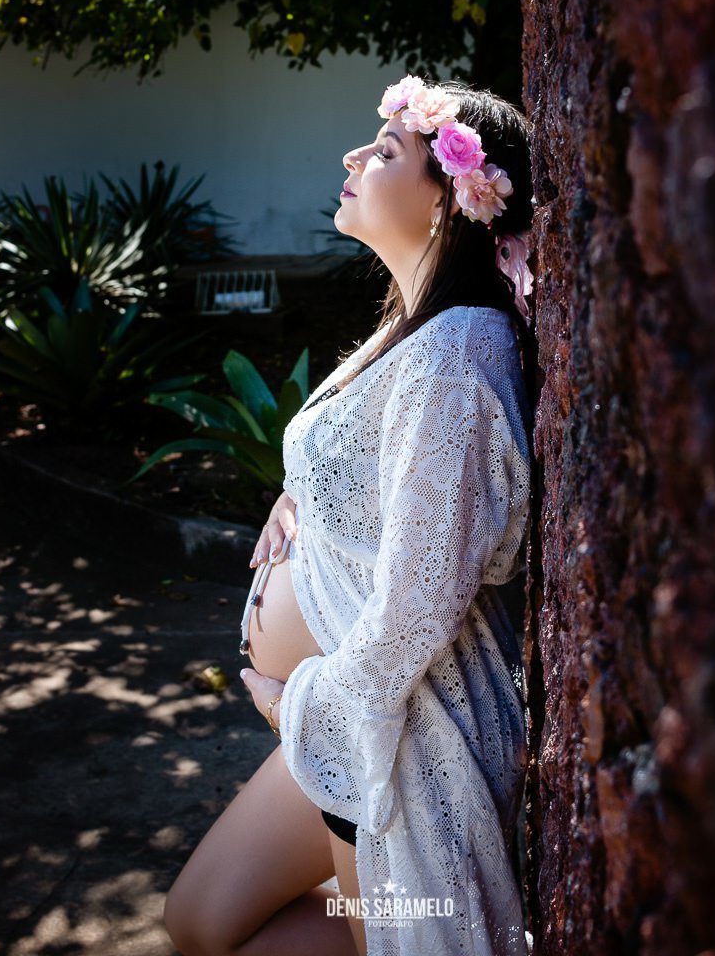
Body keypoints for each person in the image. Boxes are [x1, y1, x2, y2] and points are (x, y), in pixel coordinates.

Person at [163, 76, 536, 956]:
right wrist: (299, 498)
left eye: (387, 150)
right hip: (353, 732)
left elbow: (418, 606)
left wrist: (292, 699)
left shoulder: (459, 352)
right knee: (200, 918)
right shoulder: (413, 328)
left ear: (450, 199)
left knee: (371, 940)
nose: (353, 157)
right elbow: (388, 482)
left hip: (391, 735)